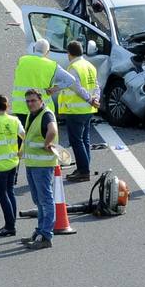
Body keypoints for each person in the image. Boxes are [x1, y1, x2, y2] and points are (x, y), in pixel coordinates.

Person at [10, 38, 97, 120]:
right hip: (41, 108)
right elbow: (70, 80)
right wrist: (55, 88)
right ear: (47, 52)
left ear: (34, 49)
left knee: (23, 134)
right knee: (39, 135)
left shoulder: (22, 60)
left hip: (20, 106)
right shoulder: (52, 65)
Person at [20, 89, 58, 250]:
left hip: (42, 165)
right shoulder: (33, 114)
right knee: (38, 200)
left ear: (40, 100)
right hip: (32, 163)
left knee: (45, 200)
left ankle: (46, 236)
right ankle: (40, 231)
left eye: (33, 100)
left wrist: (46, 144)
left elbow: (53, 130)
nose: (30, 104)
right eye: (27, 101)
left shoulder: (46, 115)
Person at [58, 40, 100, 183]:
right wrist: (95, 99)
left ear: (69, 53)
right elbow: (96, 86)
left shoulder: (74, 67)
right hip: (88, 110)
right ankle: (84, 168)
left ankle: (83, 171)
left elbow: (76, 87)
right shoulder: (90, 66)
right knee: (85, 140)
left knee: (76, 141)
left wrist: (89, 99)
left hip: (76, 110)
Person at [0, 94, 26, 236]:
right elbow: (24, 135)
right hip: (12, 161)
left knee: (1, 193)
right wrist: (21, 151)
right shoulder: (15, 120)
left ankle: (10, 226)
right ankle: (11, 222)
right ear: (7, 107)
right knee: (10, 192)